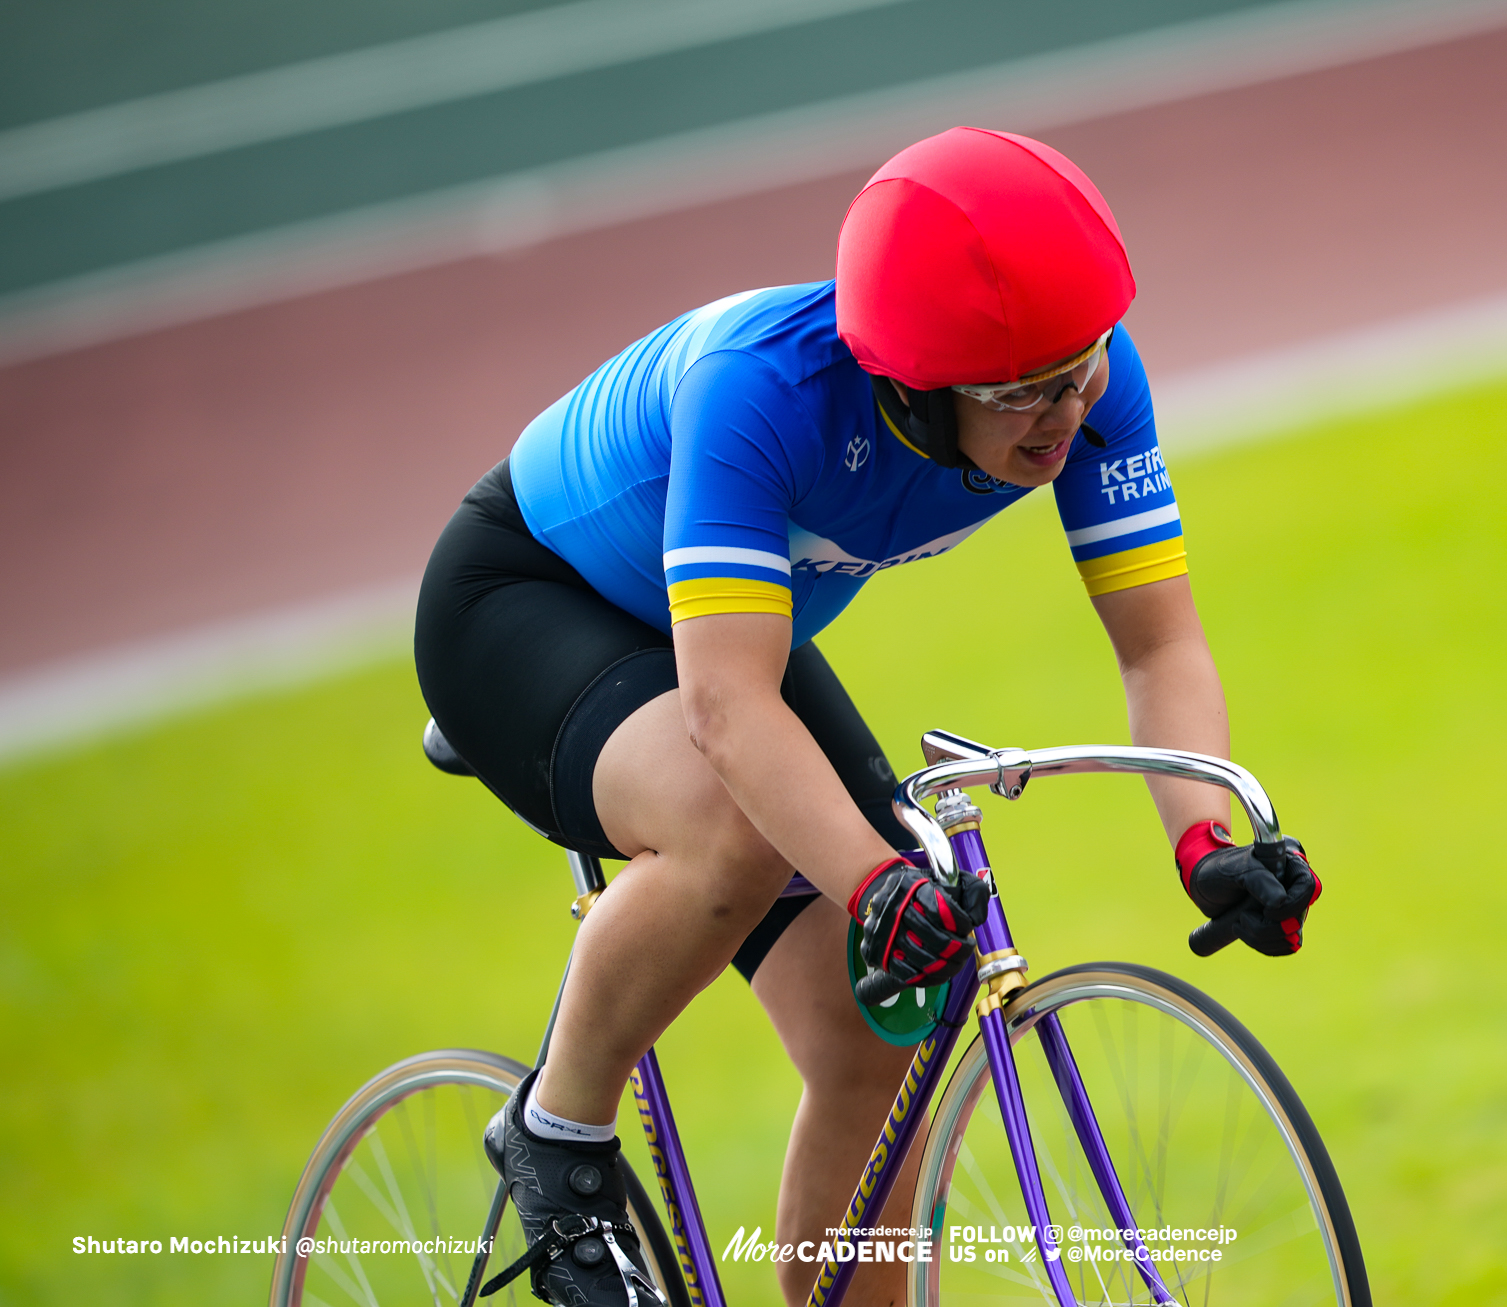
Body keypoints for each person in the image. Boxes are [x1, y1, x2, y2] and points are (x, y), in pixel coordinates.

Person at [414, 126, 1320, 1307]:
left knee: (883, 1029)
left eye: (1080, 371)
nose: (1062, 415)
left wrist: (1204, 839)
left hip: (726, 633)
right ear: (911, 387)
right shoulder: (762, 393)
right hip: (528, 603)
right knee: (736, 830)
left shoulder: (1084, 375)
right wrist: (877, 881)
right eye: (1019, 395)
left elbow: (1158, 641)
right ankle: (556, 1129)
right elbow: (728, 712)